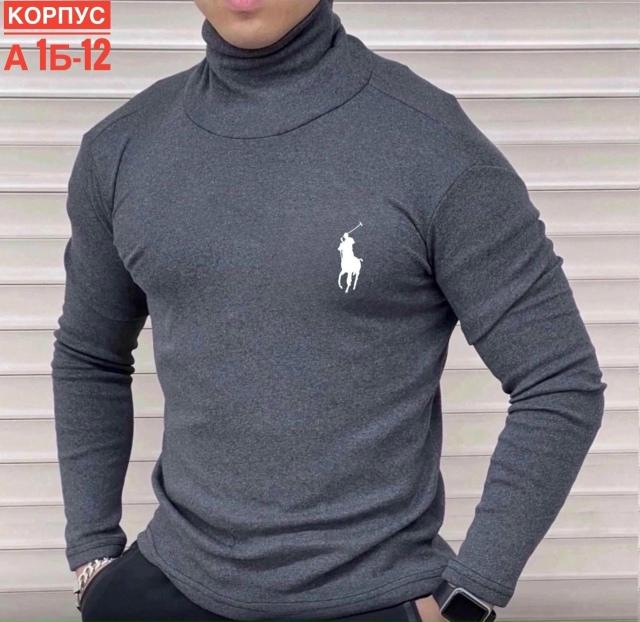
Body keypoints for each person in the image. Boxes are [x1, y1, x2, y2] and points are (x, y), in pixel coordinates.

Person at [51, 1, 607, 621]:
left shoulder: (433, 146)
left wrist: (469, 598)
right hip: (165, 587)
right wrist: (93, 560)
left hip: (373, 599)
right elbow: (89, 355)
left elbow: (559, 381)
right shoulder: (122, 147)